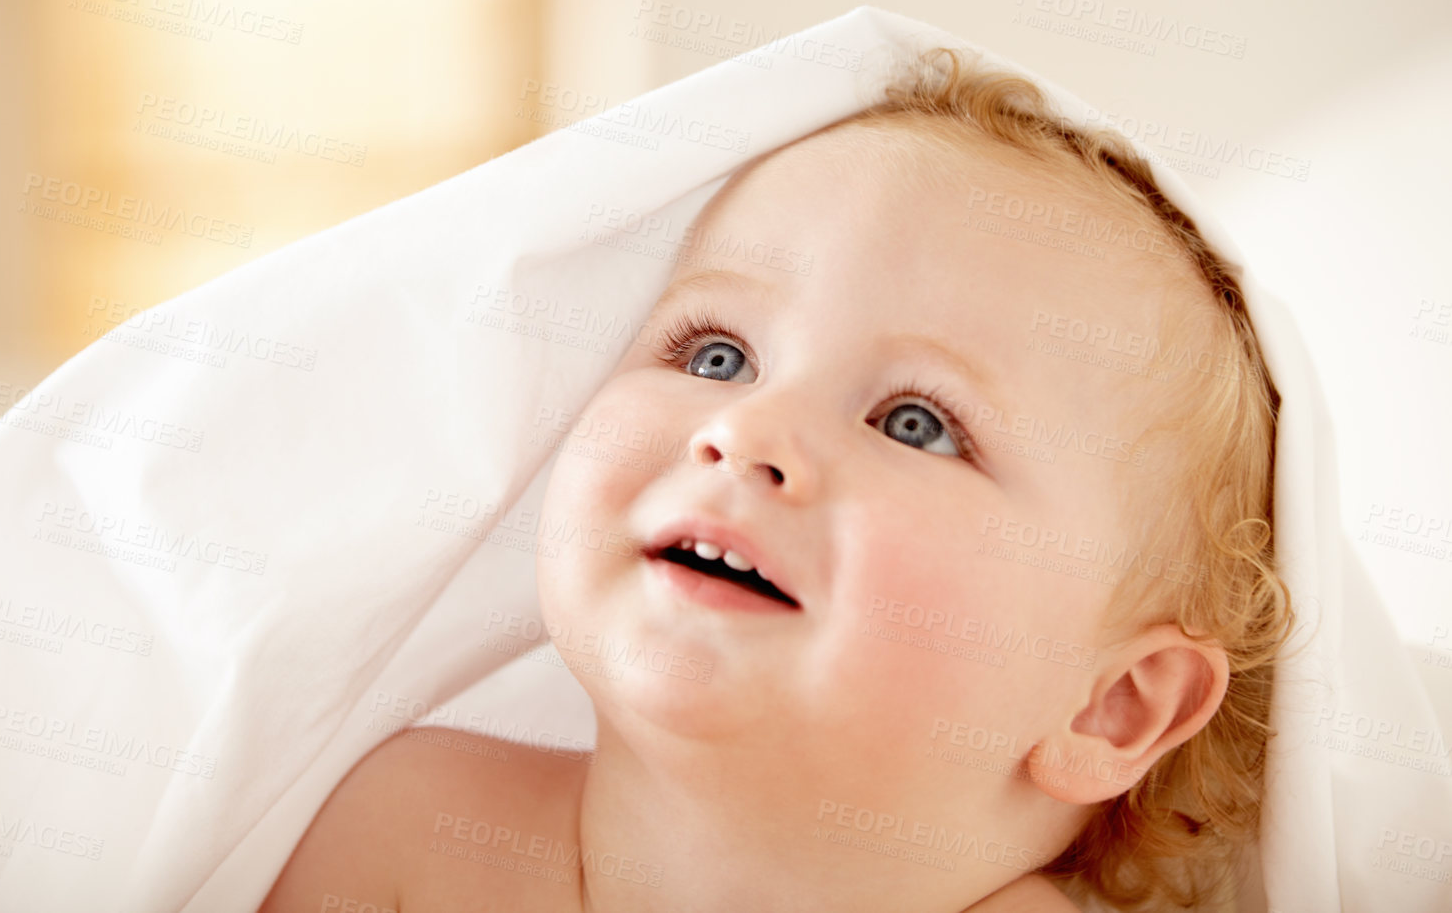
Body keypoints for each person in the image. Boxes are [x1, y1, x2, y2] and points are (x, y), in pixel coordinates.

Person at [260, 47, 1294, 913]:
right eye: (716, 355)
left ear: (1111, 705)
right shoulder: (414, 838)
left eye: (916, 423)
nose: (744, 429)